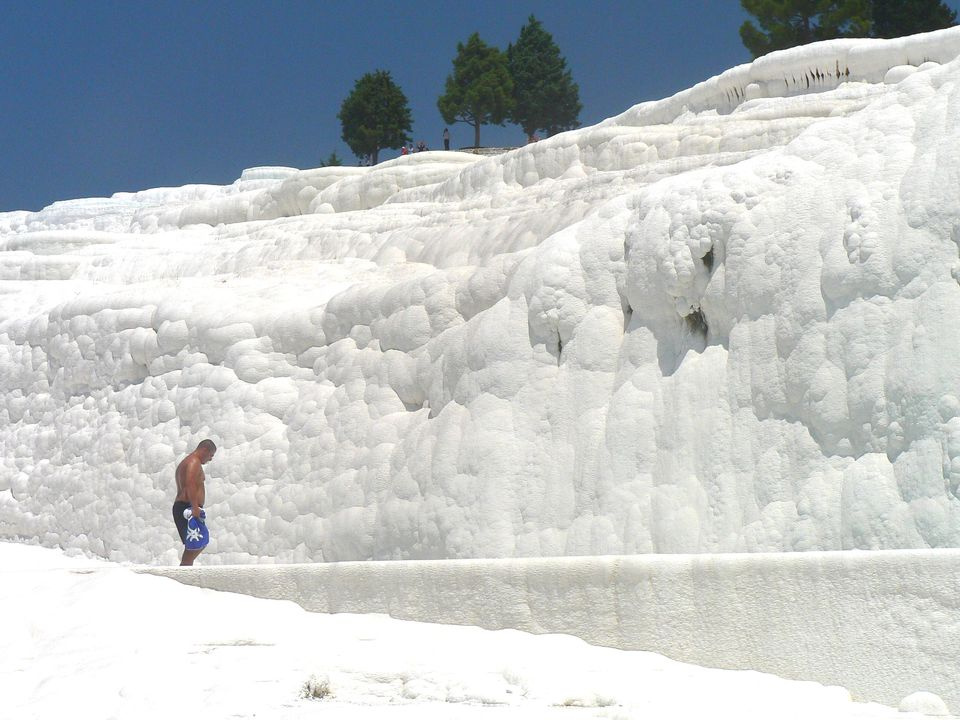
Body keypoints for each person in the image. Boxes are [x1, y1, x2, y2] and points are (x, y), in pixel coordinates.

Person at [173, 439, 216, 566]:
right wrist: (195, 507)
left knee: (197, 543)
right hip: (188, 508)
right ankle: (184, 574)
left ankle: (185, 570)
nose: (210, 459)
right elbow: (190, 484)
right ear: (204, 450)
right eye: (211, 455)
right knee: (195, 545)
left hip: (188, 507)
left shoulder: (189, 462)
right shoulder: (193, 462)